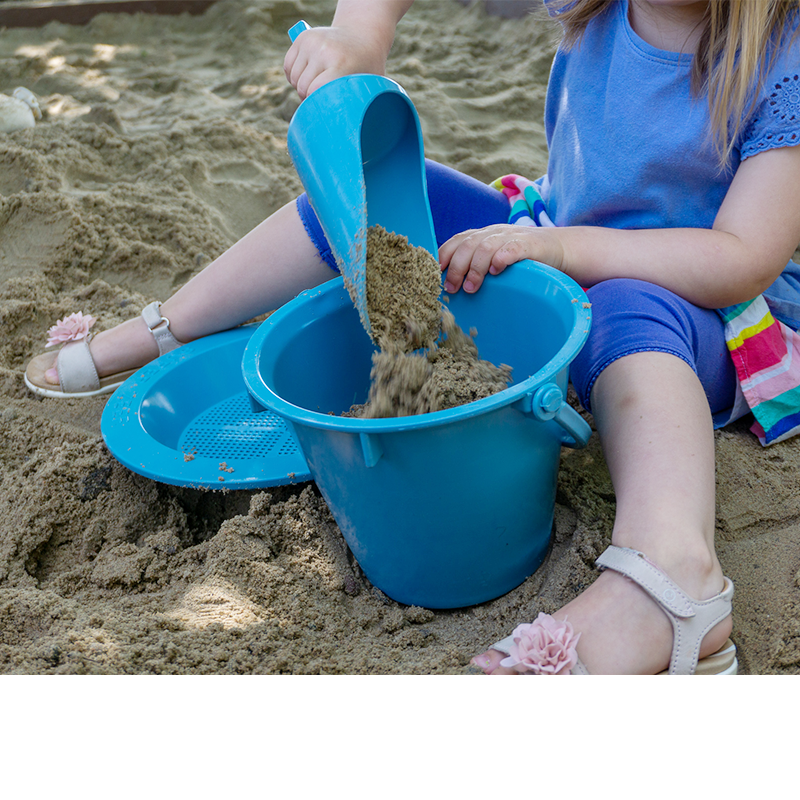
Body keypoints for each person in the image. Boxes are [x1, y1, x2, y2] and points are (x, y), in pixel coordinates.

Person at [23, 0, 800, 674]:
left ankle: (671, 574)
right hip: (555, 242)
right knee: (374, 203)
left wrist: (563, 251)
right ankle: (166, 328)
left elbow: (738, 259)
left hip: (703, 313)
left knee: (630, 303)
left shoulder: (784, 57)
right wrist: (359, 35)